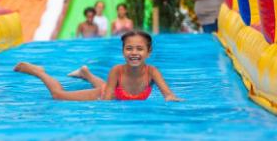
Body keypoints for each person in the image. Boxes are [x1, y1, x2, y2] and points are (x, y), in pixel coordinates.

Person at [14, 30, 180, 101]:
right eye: (129, 48)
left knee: (110, 86)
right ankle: (39, 72)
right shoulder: (117, 70)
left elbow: (168, 94)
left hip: (115, 91)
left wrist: (173, 100)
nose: (134, 52)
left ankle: (85, 73)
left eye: (139, 49)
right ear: (123, 51)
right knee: (59, 95)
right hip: (103, 94)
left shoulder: (152, 72)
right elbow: (107, 100)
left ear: (148, 52)